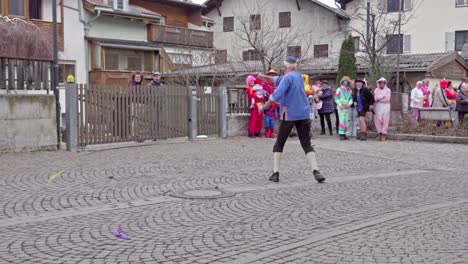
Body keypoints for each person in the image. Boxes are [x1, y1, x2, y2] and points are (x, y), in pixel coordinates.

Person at [257, 56, 325, 183]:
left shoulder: (287, 78)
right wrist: (263, 76)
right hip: (303, 114)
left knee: (280, 142)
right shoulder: (299, 76)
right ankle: (316, 171)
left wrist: (264, 107)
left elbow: (277, 94)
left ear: (285, 67)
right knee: (306, 143)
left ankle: (275, 173)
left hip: (289, 114)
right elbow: (278, 80)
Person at [334, 76, 354, 141]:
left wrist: (349, 104)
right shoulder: (339, 89)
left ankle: (345, 134)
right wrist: (339, 104)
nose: (345, 83)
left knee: (346, 121)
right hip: (341, 107)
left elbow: (351, 99)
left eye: (347, 82)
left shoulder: (350, 90)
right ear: (342, 82)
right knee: (342, 120)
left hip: (347, 107)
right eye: (344, 82)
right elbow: (336, 98)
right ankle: (341, 134)